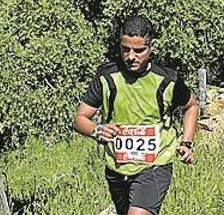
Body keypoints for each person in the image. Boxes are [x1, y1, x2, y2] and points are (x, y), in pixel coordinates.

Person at [74, 15, 198, 215]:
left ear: (152, 48)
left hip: (156, 163)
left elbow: (191, 106)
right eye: (126, 49)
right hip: (117, 167)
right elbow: (80, 119)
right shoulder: (106, 77)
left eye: (139, 51)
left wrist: (187, 143)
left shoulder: (167, 79)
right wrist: (97, 131)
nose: (131, 57)